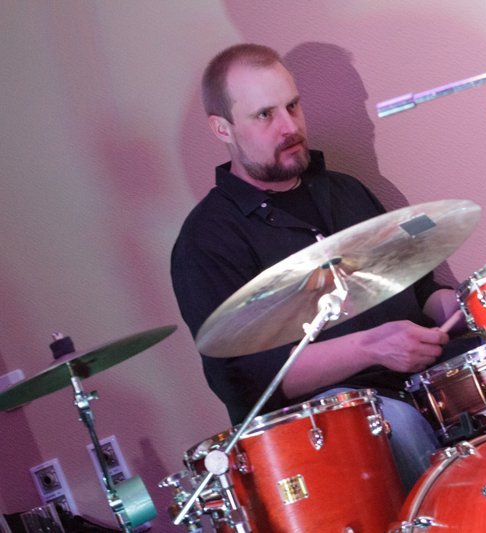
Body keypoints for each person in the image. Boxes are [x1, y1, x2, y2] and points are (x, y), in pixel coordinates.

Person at [170, 43, 465, 490]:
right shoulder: (207, 240)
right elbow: (250, 380)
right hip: (320, 432)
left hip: (414, 382)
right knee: (396, 423)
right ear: (222, 128)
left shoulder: (346, 191)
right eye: (265, 115)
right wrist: (372, 348)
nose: (290, 127)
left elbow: (421, 293)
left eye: (292, 106)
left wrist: (472, 304)